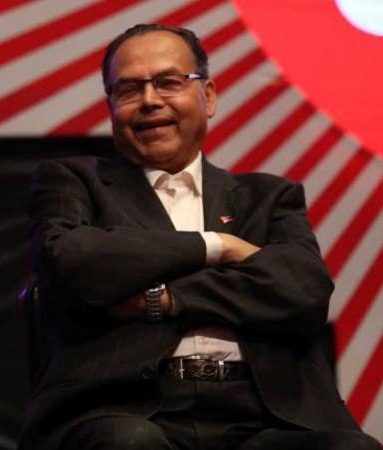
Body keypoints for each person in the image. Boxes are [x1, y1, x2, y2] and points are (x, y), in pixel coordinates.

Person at [22, 24, 382, 450]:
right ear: (111, 105)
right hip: (127, 408)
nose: (150, 100)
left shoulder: (267, 197)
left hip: (262, 414)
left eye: (168, 82)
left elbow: (304, 290)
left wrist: (165, 299)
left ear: (208, 96)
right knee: (130, 442)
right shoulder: (75, 181)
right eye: (129, 89)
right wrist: (219, 247)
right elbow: (72, 260)